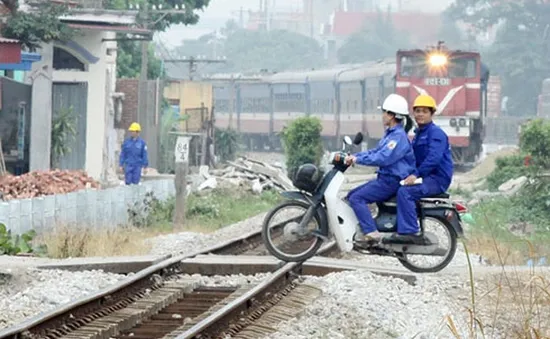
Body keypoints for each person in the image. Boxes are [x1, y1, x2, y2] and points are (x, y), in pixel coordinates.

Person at [344, 94, 416, 242]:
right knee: (351, 195)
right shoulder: (391, 134)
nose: (382, 115)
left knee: (357, 198)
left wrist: (357, 159)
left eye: (384, 112)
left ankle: (371, 233)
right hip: (385, 179)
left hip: (391, 181)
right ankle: (360, 229)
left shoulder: (397, 137)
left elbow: (383, 158)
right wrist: (357, 156)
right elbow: (376, 152)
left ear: (392, 115)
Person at [391, 94, 453, 244]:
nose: (420, 114)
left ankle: (410, 231)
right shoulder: (419, 133)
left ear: (432, 113)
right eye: (417, 111)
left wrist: (415, 175)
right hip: (426, 177)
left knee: (405, 192)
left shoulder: (436, 133)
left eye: (424, 111)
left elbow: (433, 159)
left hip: (437, 179)